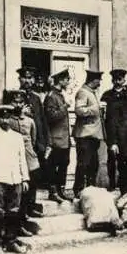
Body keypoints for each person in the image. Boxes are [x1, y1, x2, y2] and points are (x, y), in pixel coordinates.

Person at [0, 105, 30, 254]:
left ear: (11, 118)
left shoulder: (17, 136)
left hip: (15, 178)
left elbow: (22, 158)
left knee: (14, 212)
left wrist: (25, 178)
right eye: (2, 117)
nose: (5, 120)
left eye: (7, 117)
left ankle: (11, 240)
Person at [8, 66, 48, 213]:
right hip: (18, 143)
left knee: (34, 175)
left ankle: (31, 205)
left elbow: (42, 121)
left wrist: (44, 143)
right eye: (25, 77)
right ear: (20, 79)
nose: (28, 81)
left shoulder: (36, 98)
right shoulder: (12, 96)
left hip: (34, 142)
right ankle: (21, 209)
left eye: (30, 78)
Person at [7, 90, 43, 237]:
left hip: (29, 160)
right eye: (15, 102)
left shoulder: (30, 121)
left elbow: (33, 141)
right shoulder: (8, 121)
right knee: (16, 196)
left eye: (20, 102)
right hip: (14, 161)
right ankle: (16, 226)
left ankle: (24, 221)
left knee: (28, 194)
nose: (18, 105)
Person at [72, 70, 105, 197]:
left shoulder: (92, 92)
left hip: (93, 135)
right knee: (83, 164)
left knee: (93, 164)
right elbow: (79, 111)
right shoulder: (82, 92)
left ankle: (90, 191)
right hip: (84, 135)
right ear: (93, 80)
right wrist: (96, 108)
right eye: (99, 80)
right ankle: (78, 190)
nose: (100, 82)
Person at [44, 69, 71, 203]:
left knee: (63, 164)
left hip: (64, 139)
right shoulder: (51, 96)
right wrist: (64, 107)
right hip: (56, 139)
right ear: (60, 80)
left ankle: (61, 191)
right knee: (53, 166)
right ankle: (53, 192)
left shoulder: (60, 94)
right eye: (66, 79)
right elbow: (51, 117)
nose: (68, 81)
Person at [100, 68, 127, 191]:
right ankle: (111, 185)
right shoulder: (106, 95)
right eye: (115, 79)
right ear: (112, 80)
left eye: (120, 79)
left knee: (124, 160)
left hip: (125, 133)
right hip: (111, 131)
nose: (117, 81)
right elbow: (102, 114)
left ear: (124, 80)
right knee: (111, 159)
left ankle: (123, 186)